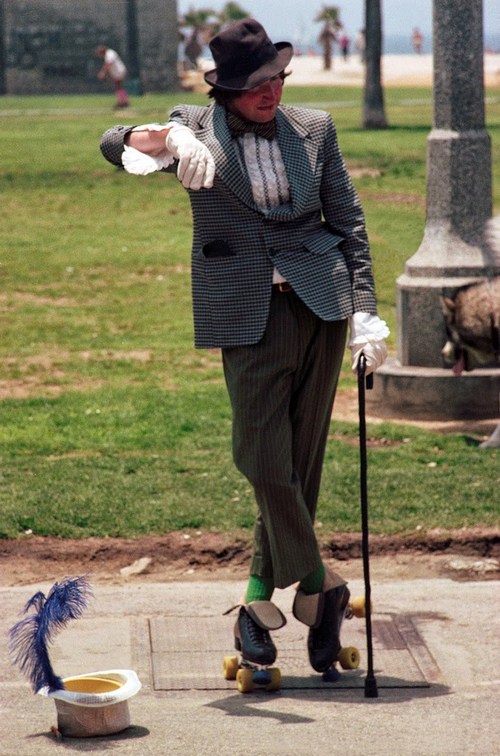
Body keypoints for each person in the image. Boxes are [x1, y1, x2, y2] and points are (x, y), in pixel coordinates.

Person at [100, 18, 388, 676]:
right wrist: (167, 137)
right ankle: (322, 588)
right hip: (245, 310)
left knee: (299, 466)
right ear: (226, 89)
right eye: (257, 83)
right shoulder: (191, 128)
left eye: (278, 78)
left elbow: (347, 221)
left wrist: (366, 314)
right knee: (262, 458)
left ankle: (258, 606)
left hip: (322, 304)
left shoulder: (314, 128)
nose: (272, 91)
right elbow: (111, 143)